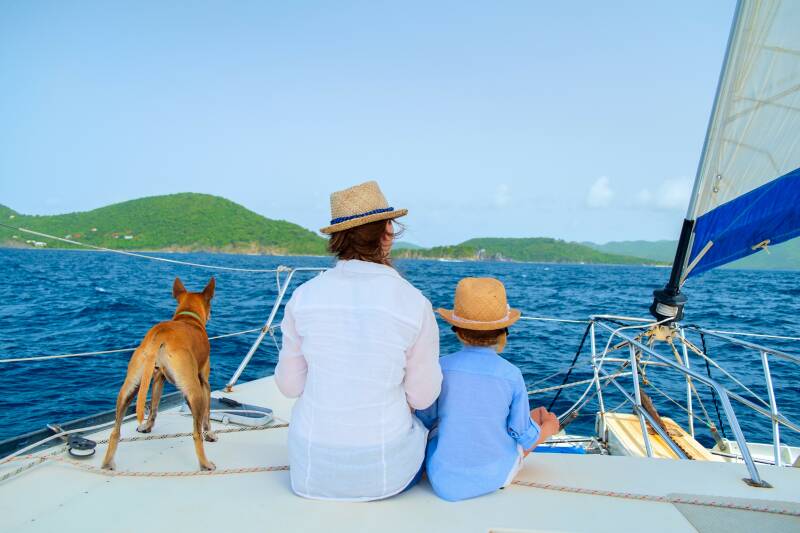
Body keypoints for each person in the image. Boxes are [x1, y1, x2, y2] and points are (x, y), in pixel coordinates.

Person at [274, 180, 442, 501]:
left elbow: (289, 386)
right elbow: (422, 397)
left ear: (336, 239)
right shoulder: (413, 302)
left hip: (311, 470)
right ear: (388, 231)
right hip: (384, 473)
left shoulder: (303, 297)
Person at [417, 277, 560, 502]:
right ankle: (548, 425)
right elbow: (523, 436)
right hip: (495, 477)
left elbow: (426, 418)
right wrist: (549, 429)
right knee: (540, 419)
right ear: (503, 330)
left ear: (457, 329)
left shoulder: (441, 367)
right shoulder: (511, 375)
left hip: (441, 477)